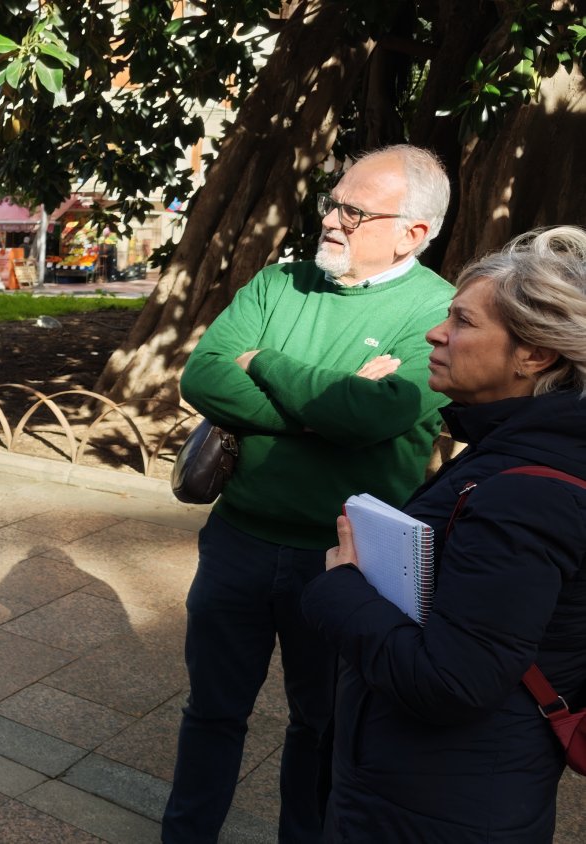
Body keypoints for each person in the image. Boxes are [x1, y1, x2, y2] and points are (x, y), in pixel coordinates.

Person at [162, 145, 456, 842]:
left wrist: (262, 361)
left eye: (354, 211)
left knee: (323, 726)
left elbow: (375, 417)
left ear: (413, 231)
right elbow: (203, 377)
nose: (332, 219)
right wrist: (333, 404)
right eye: (332, 202)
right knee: (211, 711)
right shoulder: (279, 283)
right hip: (238, 539)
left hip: (347, 560)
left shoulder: (440, 311)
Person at [303, 226, 586, 842]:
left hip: (437, 807)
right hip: (435, 787)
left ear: (535, 354)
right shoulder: (513, 449)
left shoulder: (527, 491)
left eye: (462, 321)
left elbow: (454, 681)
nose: (436, 333)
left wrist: (338, 589)